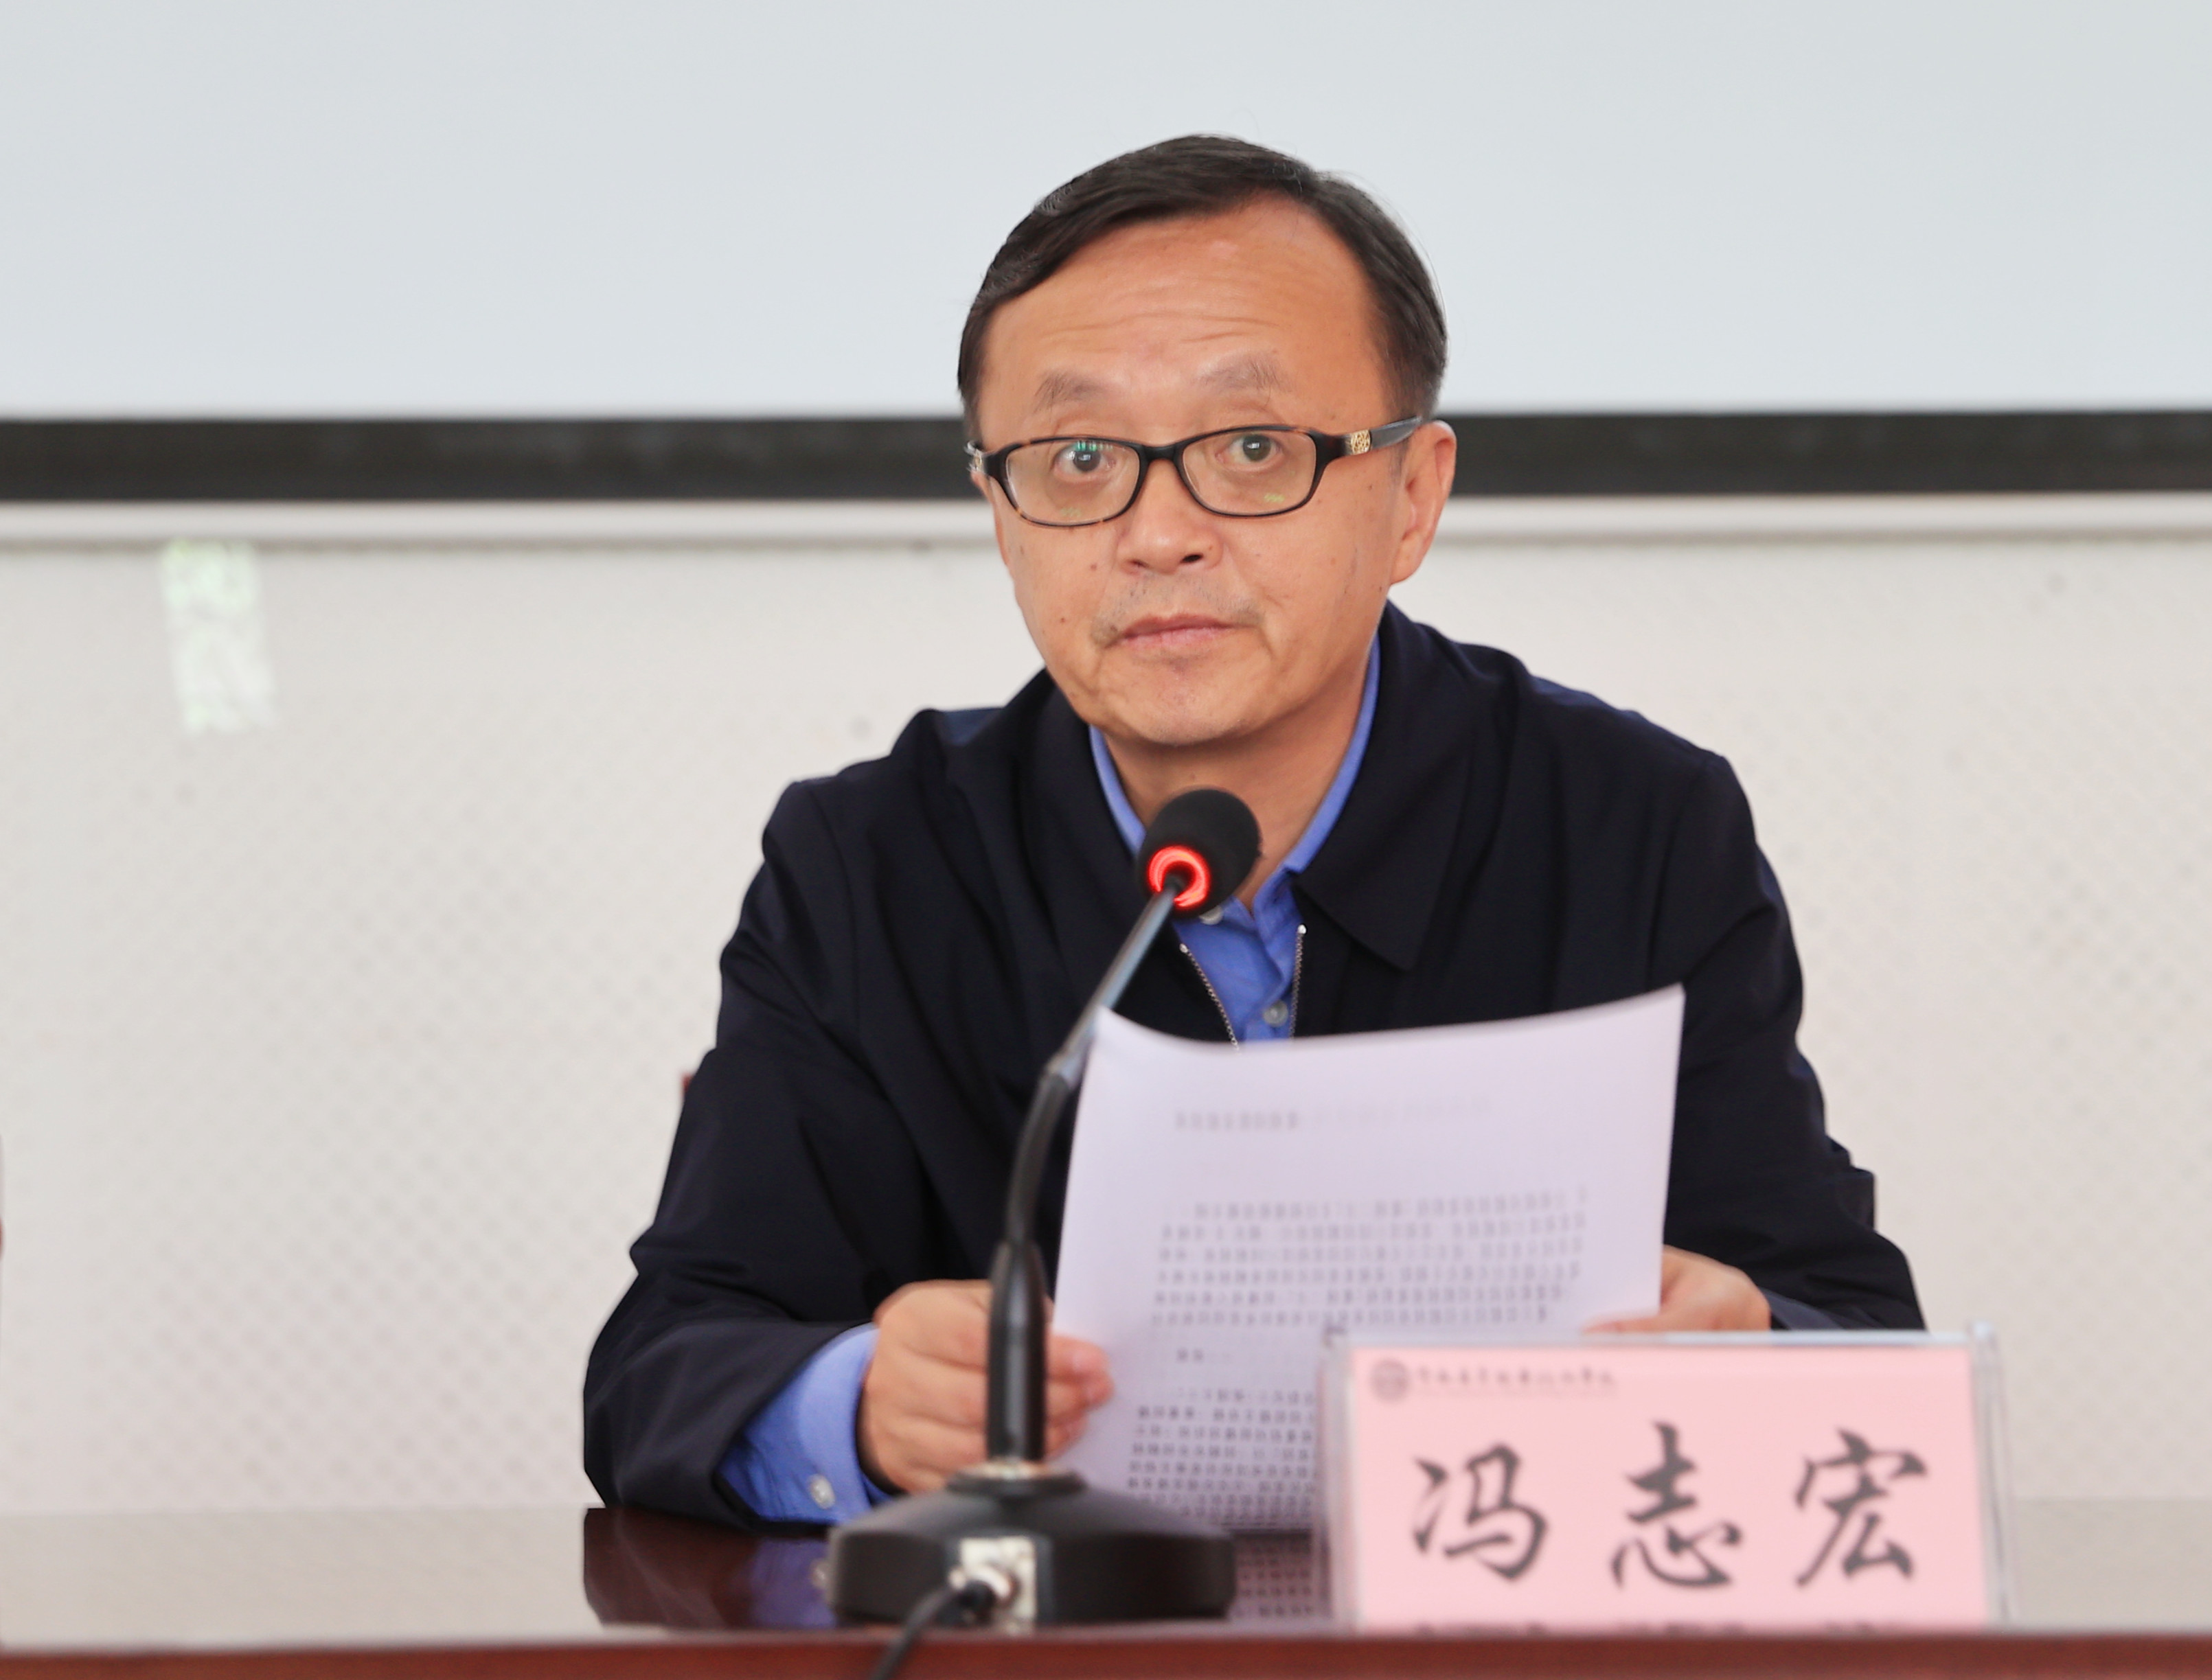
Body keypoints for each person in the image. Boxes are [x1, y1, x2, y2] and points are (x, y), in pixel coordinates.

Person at [584, 135, 1921, 1532]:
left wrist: (1754, 1353)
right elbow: (664, 1365)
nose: (1158, 534)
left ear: (1413, 497)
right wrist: (859, 1402)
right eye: (1080, 458)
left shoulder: (1629, 826)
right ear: (1000, 513)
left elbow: (1857, 1334)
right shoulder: (873, 863)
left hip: (1498, 1604)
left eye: (1250, 448)